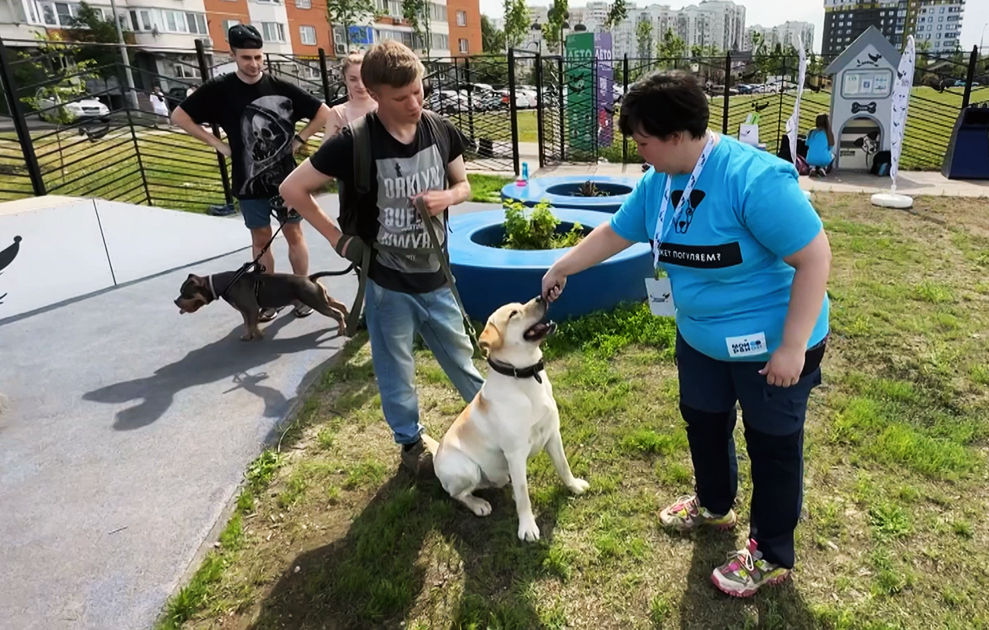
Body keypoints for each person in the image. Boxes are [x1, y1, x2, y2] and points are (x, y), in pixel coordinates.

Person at [541, 70, 831, 598]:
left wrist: (793, 346)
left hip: (774, 345)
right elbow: (615, 232)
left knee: (773, 447)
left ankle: (770, 553)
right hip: (701, 339)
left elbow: (814, 258)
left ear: (677, 136)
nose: (638, 151)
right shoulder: (659, 183)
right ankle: (715, 504)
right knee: (704, 422)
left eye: (643, 140)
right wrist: (563, 265)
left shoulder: (754, 179)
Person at [279, 40, 484, 473]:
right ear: (374, 94)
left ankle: (495, 425)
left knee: (463, 357)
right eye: (401, 97)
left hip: (437, 275)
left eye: (419, 90)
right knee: (396, 369)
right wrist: (339, 240)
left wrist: (446, 196)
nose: (415, 102)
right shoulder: (353, 141)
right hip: (386, 283)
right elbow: (292, 189)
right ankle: (411, 445)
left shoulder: (440, 129)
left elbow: (464, 186)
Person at [172, 24, 330, 320]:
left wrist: (300, 139)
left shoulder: (281, 87)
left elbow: (323, 112)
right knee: (260, 239)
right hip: (248, 181)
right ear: (232, 54)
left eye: (259, 57)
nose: (254, 64)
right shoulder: (219, 90)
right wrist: (216, 143)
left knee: (295, 234)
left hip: (287, 181)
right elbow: (179, 116)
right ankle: (267, 299)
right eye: (246, 58)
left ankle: (301, 294)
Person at [324, 52, 378, 138]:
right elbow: (325, 150)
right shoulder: (338, 113)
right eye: (353, 79)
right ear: (344, 79)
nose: (361, 85)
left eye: (364, 78)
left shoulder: (384, 107)